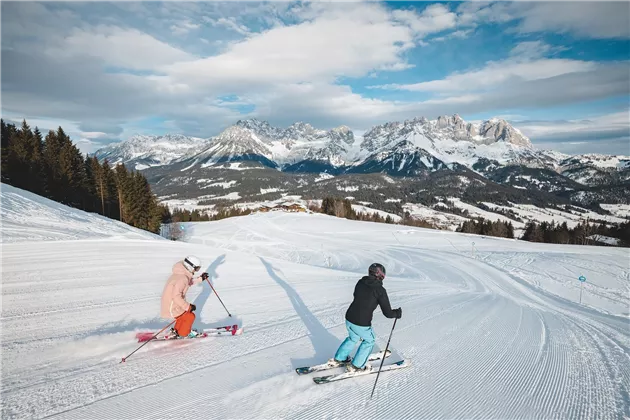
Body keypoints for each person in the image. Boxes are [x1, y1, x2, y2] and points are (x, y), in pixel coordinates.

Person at [330, 263, 402, 373]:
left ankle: (340, 358)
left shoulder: (361, 282)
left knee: (353, 338)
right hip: (361, 323)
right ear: (380, 275)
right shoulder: (380, 290)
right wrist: (396, 313)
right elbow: (387, 313)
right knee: (369, 340)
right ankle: (357, 366)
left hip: (349, 318)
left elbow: (356, 296)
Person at [160, 255, 209, 338]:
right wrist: (188, 306)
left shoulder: (180, 274)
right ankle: (184, 333)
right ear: (190, 266)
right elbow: (176, 296)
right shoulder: (183, 278)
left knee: (183, 316)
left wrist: (200, 279)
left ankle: (177, 331)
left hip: (169, 303)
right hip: (172, 305)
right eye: (196, 268)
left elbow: (188, 282)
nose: (196, 270)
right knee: (190, 316)